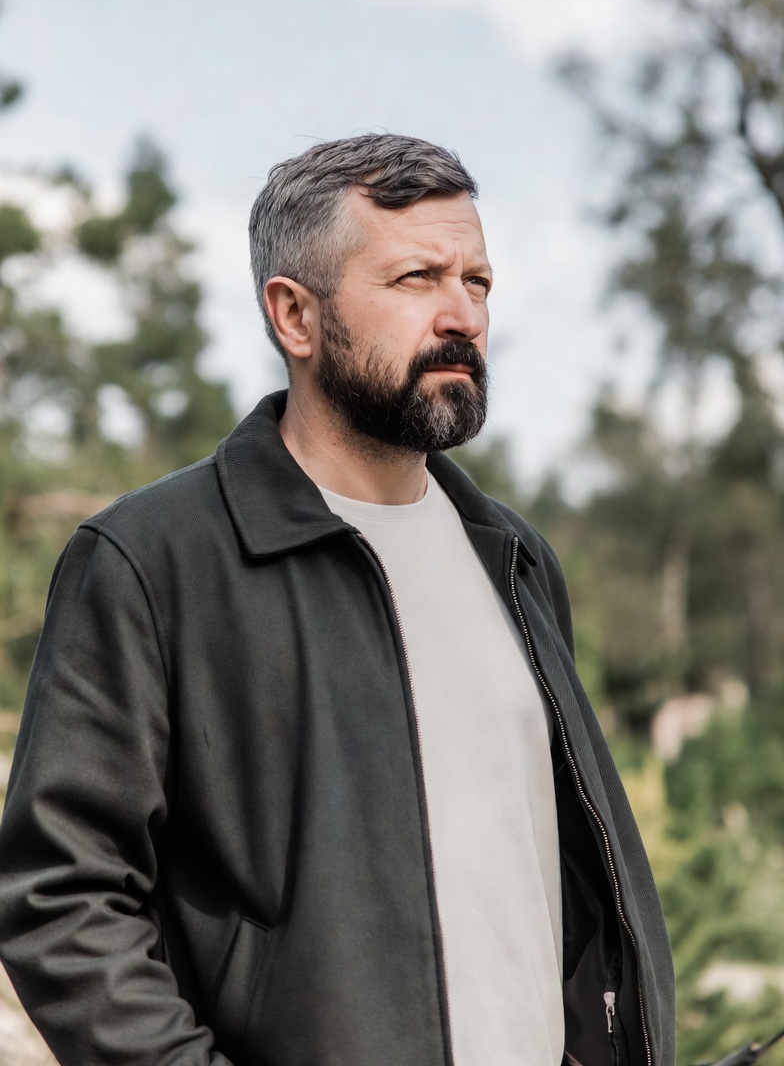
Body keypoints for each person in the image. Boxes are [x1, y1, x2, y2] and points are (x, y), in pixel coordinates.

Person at [0, 134, 674, 1066]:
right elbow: (60, 899)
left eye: (477, 282)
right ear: (295, 316)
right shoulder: (152, 562)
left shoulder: (516, 560)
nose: (463, 315)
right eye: (416, 279)